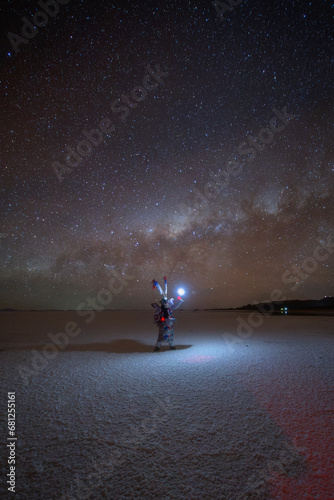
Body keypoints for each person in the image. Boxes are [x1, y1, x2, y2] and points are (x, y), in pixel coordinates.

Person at [151, 276, 184, 352]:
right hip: (163, 323)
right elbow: (156, 313)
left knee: (170, 334)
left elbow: (176, 305)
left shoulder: (170, 308)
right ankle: (157, 346)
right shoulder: (160, 309)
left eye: (166, 302)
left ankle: (171, 345)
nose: (166, 304)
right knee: (161, 335)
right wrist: (161, 319)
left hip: (169, 323)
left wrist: (180, 300)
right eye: (164, 303)